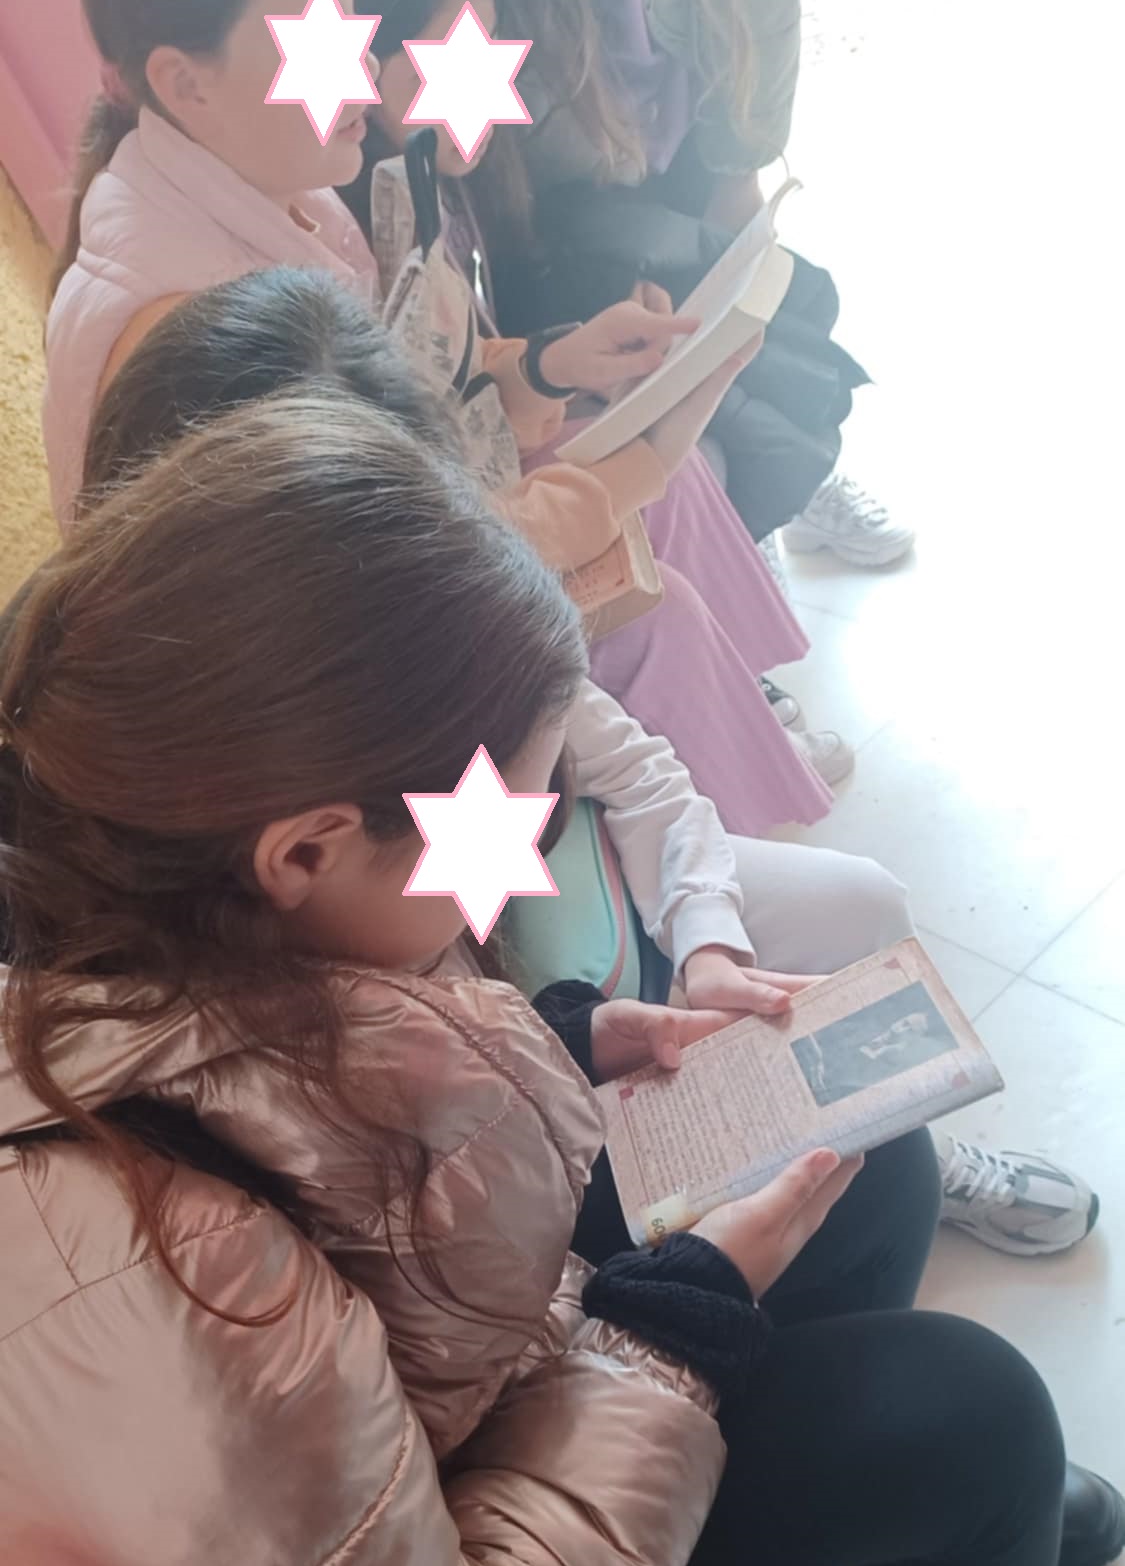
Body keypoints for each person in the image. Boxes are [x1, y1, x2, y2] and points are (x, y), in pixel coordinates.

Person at [2, 394, 1124, 1566]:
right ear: (309, 849)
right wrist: (671, 1330)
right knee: (976, 1417)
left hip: (390, 1382)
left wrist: (567, 1034)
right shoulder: (129, 1279)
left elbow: (265, 1105)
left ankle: (889, 1501)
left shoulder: (167, 894)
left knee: (866, 1161)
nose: (524, 851)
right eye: (507, 813)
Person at [69, 264, 1098, 1259]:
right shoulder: (243, 1033)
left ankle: (891, 1127)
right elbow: (460, 1277)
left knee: (856, 918)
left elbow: (629, 774)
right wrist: (688, 1288)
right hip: (516, 1060)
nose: (535, 796)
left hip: (553, 989)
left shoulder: (442, 639)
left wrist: (690, 953)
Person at [44, 0, 850, 837]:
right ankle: (716, 857)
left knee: (660, 485)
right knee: (653, 607)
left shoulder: (275, 181)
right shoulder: (203, 328)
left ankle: (739, 747)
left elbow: (407, 378)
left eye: (350, 22)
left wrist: (549, 364)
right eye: (316, 43)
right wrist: (636, 464)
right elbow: (397, 576)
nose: (362, 67)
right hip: (332, 671)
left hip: (387, 540)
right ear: (186, 82)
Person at [497, 0, 915, 569]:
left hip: (683, 140)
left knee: (747, 310)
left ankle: (782, 490)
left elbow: (762, 34)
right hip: (546, 197)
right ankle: (741, 515)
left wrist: (741, 171)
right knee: (641, 356)